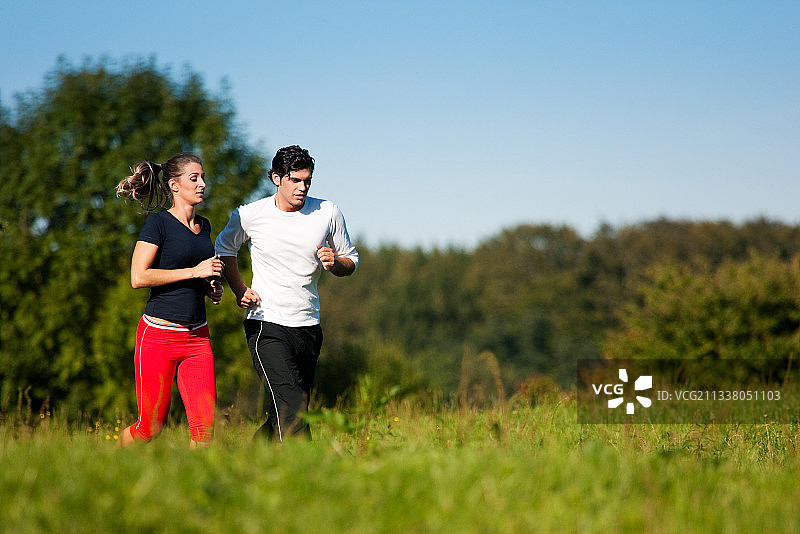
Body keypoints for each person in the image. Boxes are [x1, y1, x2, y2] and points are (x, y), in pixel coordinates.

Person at [215, 145, 358, 441]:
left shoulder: (327, 212)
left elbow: (351, 260)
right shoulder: (250, 215)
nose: (302, 187)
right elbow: (224, 247)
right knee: (293, 409)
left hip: (308, 326)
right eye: (295, 180)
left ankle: (252, 458)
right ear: (276, 178)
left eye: (307, 181)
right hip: (266, 324)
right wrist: (239, 289)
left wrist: (335, 263)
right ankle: (306, 464)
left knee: (288, 409)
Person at [114, 153, 224, 448]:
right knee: (149, 429)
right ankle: (110, 462)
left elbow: (193, 274)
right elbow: (139, 276)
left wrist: (208, 287)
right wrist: (194, 272)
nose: (202, 184)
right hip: (158, 336)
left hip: (197, 338)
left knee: (205, 432)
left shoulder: (205, 226)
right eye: (194, 178)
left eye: (203, 178)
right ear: (174, 185)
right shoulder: (158, 223)